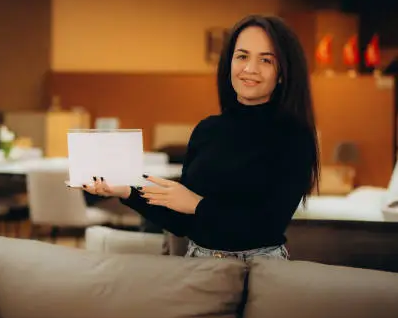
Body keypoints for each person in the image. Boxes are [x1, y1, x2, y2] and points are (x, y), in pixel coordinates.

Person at [81, 14, 320, 261]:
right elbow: (182, 221)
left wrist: (197, 204)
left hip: (260, 268)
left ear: (282, 73)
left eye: (266, 60)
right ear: (229, 63)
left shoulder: (294, 136)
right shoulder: (208, 130)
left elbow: (266, 225)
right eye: (242, 56)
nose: (250, 69)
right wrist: (125, 191)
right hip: (198, 263)